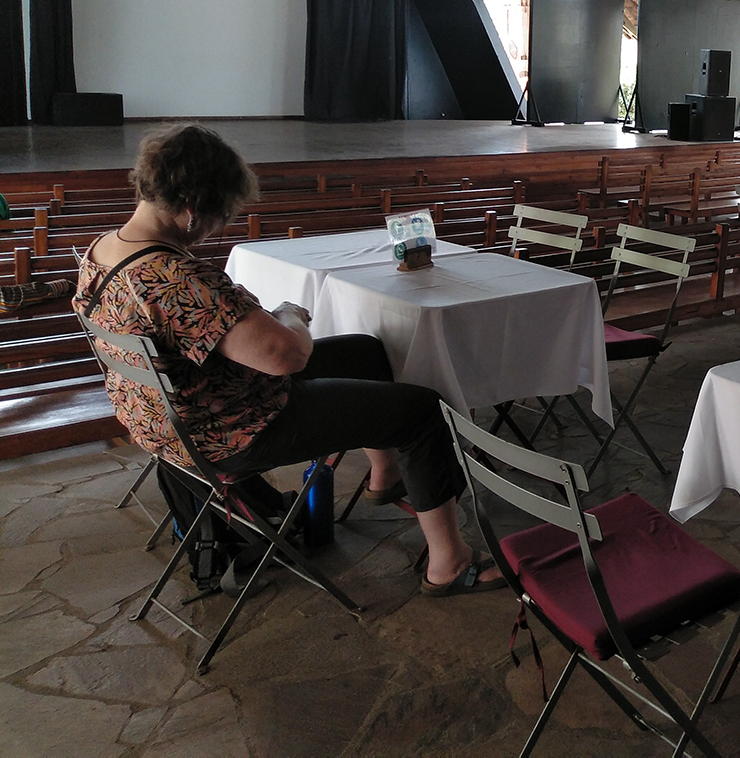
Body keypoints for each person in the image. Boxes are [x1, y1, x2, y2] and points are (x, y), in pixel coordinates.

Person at [74, 125, 501, 596]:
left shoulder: (104, 250)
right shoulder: (173, 276)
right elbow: (289, 355)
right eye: (220, 216)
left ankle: (386, 472)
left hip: (168, 420)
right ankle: (448, 562)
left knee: (365, 350)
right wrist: (290, 314)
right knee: (422, 411)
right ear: (192, 208)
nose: (219, 228)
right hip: (228, 429)